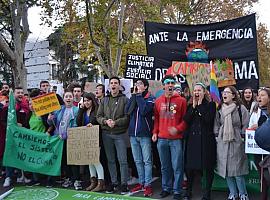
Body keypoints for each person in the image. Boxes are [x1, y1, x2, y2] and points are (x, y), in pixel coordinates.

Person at [152, 75, 187, 200]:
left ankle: (177, 191)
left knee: (177, 166)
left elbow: (186, 120)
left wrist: (178, 129)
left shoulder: (182, 100)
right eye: (168, 83)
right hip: (161, 139)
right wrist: (155, 132)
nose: (170, 85)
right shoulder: (158, 101)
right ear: (164, 85)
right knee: (164, 166)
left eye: (172, 83)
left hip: (176, 140)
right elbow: (156, 119)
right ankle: (166, 188)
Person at [214, 86, 250, 200]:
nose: (224, 94)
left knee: (238, 172)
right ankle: (233, 193)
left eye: (227, 93)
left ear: (233, 95)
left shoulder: (241, 108)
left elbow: (246, 124)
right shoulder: (220, 109)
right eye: (223, 93)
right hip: (223, 143)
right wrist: (217, 136)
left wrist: (242, 136)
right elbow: (216, 124)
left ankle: (243, 194)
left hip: (236, 142)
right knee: (227, 171)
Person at [183, 83, 216, 200]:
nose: (197, 93)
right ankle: (188, 191)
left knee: (207, 168)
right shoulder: (190, 105)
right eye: (195, 91)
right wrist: (193, 107)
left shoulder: (211, 105)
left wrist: (200, 105)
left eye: (199, 90)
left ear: (204, 92)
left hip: (205, 141)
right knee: (190, 167)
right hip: (192, 140)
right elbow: (186, 119)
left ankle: (207, 193)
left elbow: (207, 120)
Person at [96, 76, 129, 194]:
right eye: (112, 83)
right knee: (111, 160)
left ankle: (124, 183)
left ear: (119, 86)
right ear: (109, 86)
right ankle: (114, 183)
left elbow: (127, 117)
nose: (113, 85)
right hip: (106, 134)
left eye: (116, 83)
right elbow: (98, 116)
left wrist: (116, 122)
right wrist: (106, 121)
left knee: (123, 160)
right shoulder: (104, 100)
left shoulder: (125, 100)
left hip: (120, 134)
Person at [126, 79, 155, 197]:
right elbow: (127, 111)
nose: (137, 86)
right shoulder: (134, 97)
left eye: (140, 84)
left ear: (146, 86)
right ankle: (141, 182)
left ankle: (148, 184)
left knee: (147, 161)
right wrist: (134, 96)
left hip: (145, 135)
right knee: (137, 160)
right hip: (133, 135)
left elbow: (143, 111)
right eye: (136, 84)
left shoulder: (150, 98)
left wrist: (138, 96)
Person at [47, 90, 80, 190]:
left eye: (70, 96)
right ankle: (68, 178)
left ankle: (76, 180)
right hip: (58, 139)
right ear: (64, 99)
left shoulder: (76, 110)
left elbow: (76, 124)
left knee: (72, 160)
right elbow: (52, 123)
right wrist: (49, 119)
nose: (68, 98)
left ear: (73, 98)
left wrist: (66, 135)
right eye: (66, 97)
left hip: (71, 139)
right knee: (64, 160)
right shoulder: (59, 109)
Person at [77, 92, 105, 192]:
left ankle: (101, 183)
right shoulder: (83, 111)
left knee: (95, 160)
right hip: (86, 139)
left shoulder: (97, 109)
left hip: (96, 138)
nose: (86, 102)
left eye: (88, 100)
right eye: (85, 101)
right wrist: (80, 109)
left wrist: (92, 124)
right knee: (89, 161)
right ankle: (93, 182)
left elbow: (97, 120)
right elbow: (78, 122)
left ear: (92, 100)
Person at [2, 87, 31, 187]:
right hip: (10, 136)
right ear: (14, 94)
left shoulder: (25, 107)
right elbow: (2, 121)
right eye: (18, 92)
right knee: (10, 155)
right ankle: (8, 177)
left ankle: (21, 176)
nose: (20, 94)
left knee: (21, 155)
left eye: (22, 92)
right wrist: (12, 126)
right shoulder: (7, 107)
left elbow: (27, 122)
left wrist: (23, 126)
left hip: (22, 137)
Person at [249, 88, 270, 200]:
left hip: (268, 150)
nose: (259, 97)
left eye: (263, 95)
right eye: (258, 95)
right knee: (262, 176)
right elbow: (251, 124)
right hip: (259, 149)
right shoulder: (256, 110)